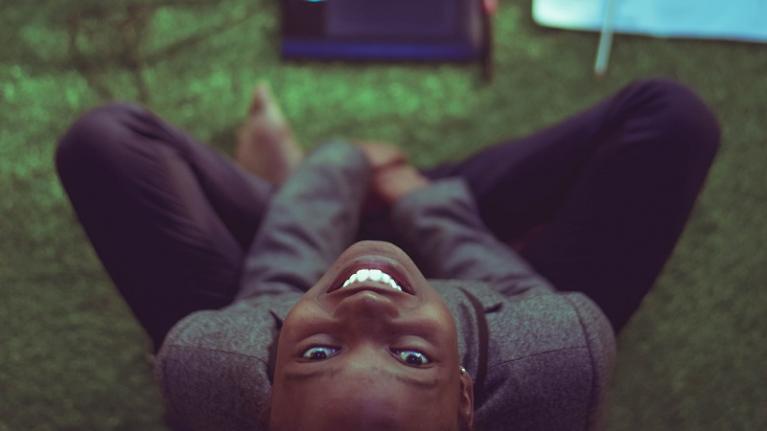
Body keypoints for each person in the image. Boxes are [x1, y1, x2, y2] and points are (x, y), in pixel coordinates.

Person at [55, 79, 720, 431]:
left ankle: (294, 184)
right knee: (672, 117)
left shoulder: (214, 365)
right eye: (410, 357)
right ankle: (368, 192)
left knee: (102, 140)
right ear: (466, 396)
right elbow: (490, 272)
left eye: (317, 355)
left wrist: (338, 165)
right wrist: (411, 195)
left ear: (264, 402)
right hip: (479, 260)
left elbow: (283, 277)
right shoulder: (555, 356)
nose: (367, 308)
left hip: (289, 278)